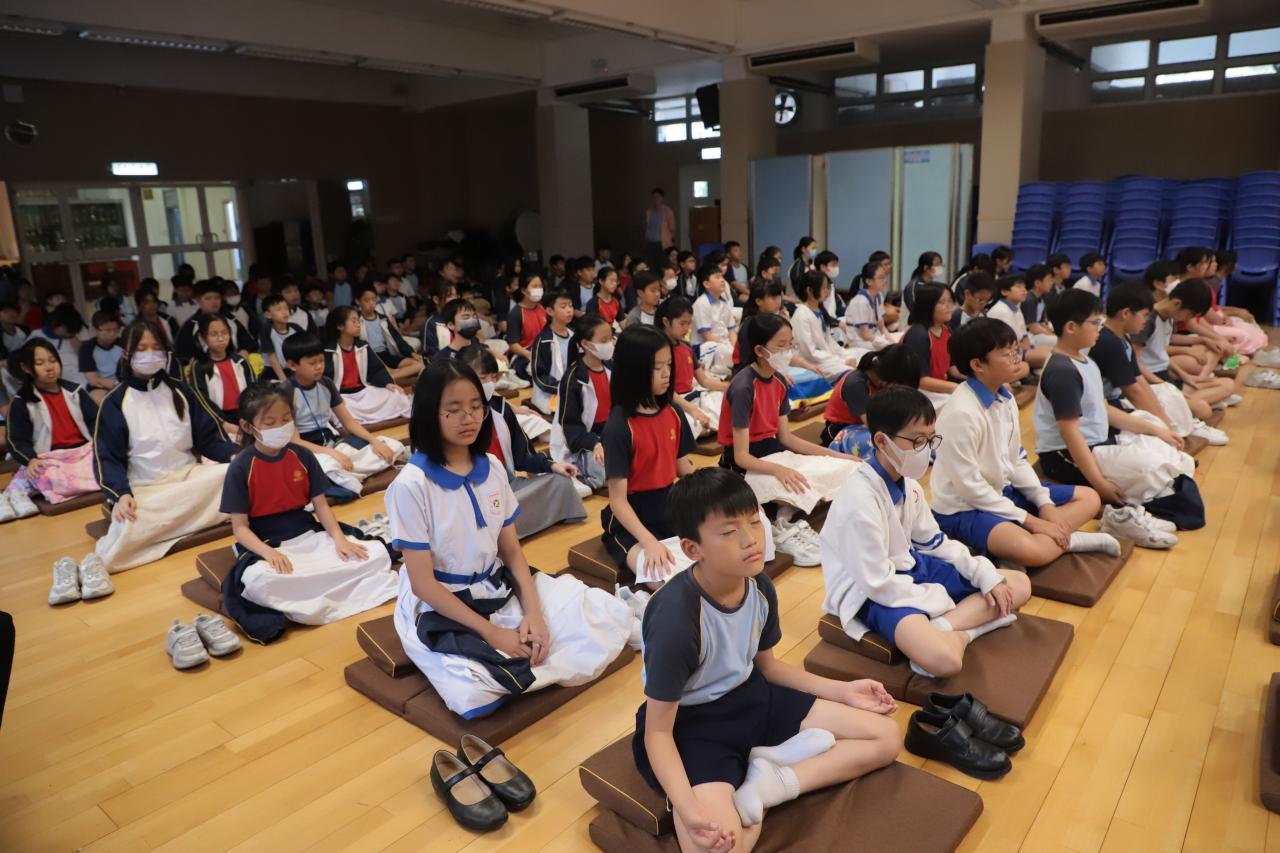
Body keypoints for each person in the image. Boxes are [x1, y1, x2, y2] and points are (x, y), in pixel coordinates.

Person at [637, 467, 901, 848]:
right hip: (693, 725)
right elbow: (658, 733)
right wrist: (687, 806)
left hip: (753, 697)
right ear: (693, 550)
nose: (751, 539)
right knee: (715, 846)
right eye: (730, 531)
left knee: (886, 736)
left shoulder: (758, 585)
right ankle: (758, 778)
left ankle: (770, 785)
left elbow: (768, 667)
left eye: (754, 521)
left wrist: (842, 691)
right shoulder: (675, 618)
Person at [384, 358, 632, 718]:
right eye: (454, 410)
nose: (469, 418)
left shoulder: (493, 467)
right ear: (428, 414)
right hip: (443, 601)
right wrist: (491, 633)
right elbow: (423, 585)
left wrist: (535, 615)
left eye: (476, 407)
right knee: (472, 693)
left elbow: (512, 553)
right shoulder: (411, 485)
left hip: (495, 584)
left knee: (604, 612)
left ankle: (527, 644)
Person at [820, 386, 1032, 678]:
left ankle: (943, 628)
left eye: (931, 439)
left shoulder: (909, 485)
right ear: (881, 441)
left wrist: (983, 575)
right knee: (946, 661)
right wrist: (939, 599)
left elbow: (936, 543)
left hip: (909, 568)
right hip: (867, 591)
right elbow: (877, 583)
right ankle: (967, 631)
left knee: (1017, 583)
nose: (927, 450)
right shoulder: (859, 501)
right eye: (918, 441)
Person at [930, 319, 1117, 568]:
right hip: (963, 508)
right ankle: (1067, 540)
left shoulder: (1005, 398)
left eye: (1016, 350)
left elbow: (1017, 459)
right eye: (1007, 354)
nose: (1016, 359)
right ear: (978, 365)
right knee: (1031, 551)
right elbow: (970, 489)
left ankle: (1031, 541)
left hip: (1002, 491)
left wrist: (1044, 503)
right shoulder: (961, 413)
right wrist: (1033, 521)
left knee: (1089, 498)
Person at [219, 384, 396, 636]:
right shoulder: (240, 467)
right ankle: (326, 591)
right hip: (267, 540)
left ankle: (315, 596)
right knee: (260, 580)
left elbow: (321, 506)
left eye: (286, 419)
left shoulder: (302, 454)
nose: (281, 427)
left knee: (375, 554)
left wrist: (339, 539)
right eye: (270, 423)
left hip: (306, 531)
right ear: (248, 427)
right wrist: (269, 553)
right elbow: (240, 529)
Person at [1035, 289, 1203, 546]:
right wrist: (1100, 485)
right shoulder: (1062, 371)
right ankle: (1121, 517)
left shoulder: (1084, 360)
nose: (1100, 328)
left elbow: (1104, 409)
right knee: (1154, 470)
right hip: (1063, 456)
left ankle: (1140, 505)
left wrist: (1157, 430)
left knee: (1164, 447)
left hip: (1097, 442)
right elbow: (1071, 435)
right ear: (1071, 327)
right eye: (1095, 322)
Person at [89, 321, 239, 574]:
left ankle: (176, 522)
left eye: (156, 347)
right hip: (147, 487)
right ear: (126, 353)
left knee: (234, 474)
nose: (150, 354)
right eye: (142, 348)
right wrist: (121, 494)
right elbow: (107, 458)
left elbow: (209, 439)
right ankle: (198, 517)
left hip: (189, 476)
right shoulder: (115, 402)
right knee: (132, 518)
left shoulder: (180, 390)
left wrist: (234, 455)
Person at [719, 313, 859, 567]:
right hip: (743, 463)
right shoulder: (743, 387)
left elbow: (786, 438)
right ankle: (780, 525)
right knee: (800, 483)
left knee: (845, 468)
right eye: (781, 346)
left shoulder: (780, 382)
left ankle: (784, 514)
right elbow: (741, 456)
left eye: (790, 343)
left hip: (774, 452)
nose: (788, 351)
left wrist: (836, 455)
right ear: (760, 350)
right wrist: (779, 470)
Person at [598, 325, 699, 585]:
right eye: (657, 367)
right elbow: (618, 501)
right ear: (633, 370)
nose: (667, 374)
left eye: (669, 365)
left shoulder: (673, 411)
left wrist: (718, 492)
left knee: (710, 564)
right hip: (630, 517)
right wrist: (649, 542)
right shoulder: (619, 426)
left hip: (670, 506)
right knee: (663, 580)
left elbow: (683, 468)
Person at [458, 345, 589, 539]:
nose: (489, 383)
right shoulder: (455, 417)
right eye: (483, 378)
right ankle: (499, 531)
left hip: (508, 487)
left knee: (560, 482)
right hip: (472, 495)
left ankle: (502, 530)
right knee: (481, 514)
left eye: (493, 378)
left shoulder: (501, 408)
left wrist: (552, 466)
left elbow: (522, 455)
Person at [1090, 283, 1225, 446]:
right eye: (1145, 315)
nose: (1146, 320)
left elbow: (1138, 379)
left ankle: (1182, 425)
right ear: (1126, 313)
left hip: (1122, 398)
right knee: (1158, 439)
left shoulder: (1122, 338)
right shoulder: (1109, 342)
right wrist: (1164, 427)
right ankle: (1182, 426)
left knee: (1166, 400)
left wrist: (1164, 422)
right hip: (1108, 406)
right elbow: (1133, 391)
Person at [281, 333, 403, 501]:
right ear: (292, 365)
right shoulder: (285, 392)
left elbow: (349, 423)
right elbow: (294, 441)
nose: (319, 366)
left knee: (390, 446)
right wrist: (331, 453)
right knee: (327, 465)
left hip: (333, 443)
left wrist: (374, 442)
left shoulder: (326, 383)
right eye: (312, 363)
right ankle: (343, 474)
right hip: (306, 449)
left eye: (321, 361)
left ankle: (343, 477)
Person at [4, 339, 100, 518]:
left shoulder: (75, 391)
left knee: (111, 463)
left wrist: (102, 444)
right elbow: (16, 440)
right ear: (26, 367)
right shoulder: (21, 401)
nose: (49, 367)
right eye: (40, 363)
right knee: (43, 472)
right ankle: (15, 492)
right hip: (49, 458)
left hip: (83, 452)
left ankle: (29, 486)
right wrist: (30, 460)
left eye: (52, 360)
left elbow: (96, 420)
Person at [1132, 277, 1238, 414]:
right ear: (1177, 303)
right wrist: (1163, 385)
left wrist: (1185, 376)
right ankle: (1194, 404)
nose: (1188, 320)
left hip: (1165, 377)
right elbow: (1135, 363)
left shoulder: (1169, 318)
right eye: (1190, 315)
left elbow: (1161, 355)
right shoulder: (1148, 320)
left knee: (1228, 384)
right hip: (1151, 381)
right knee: (1204, 410)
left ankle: (1188, 405)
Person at [549, 314, 613, 490]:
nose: (610, 344)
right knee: (600, 473)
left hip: (609, 435)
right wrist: (595, 443)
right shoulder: (573, 378)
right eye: (604, 340)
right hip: (583, 441)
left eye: (610, 338)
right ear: (586, 344)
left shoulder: (611, 369)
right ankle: (582, 473)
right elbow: (571, 427)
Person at [322, 306, 412, 425]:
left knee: (397, 395)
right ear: (340, 326)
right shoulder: (329, 351)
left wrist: (387, 383)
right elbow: (325, 380)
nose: (358, 324)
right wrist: (334, 399)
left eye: (358, 321)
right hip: (343, 397)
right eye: (354, 321)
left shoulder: (363, 346)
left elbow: (376, 370)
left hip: (364, 392)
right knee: (333, 410)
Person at [819, 344, 922, 447]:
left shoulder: (881, 383)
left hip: (863, 425)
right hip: (839, 431)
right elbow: (872, 425)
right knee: (884, 442)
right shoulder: (855, 384)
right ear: (891, 380)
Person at [658, 297, 729, 439]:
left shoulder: (686, 347)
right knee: (692, 424)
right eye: (682, 323)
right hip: (673, 400)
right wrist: (692, 409)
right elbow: (667, 392)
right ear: (666, 322)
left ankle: (709, 426)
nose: (686, 328)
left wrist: (730, 387)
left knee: (727, 402)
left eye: (689, 323)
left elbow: (704, 381)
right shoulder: (659, 350)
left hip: (693, 396)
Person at [187, 313, 257, 436]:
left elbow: (254, 391)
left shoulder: (241, 362)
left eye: (225, 333)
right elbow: (201, 401)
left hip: (246, 417)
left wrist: (251, 419)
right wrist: (222, 423)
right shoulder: (199, 367)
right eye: (214, 334)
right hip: (216, 421)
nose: (221, 339)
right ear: (203, 337)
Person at [790, 271, 857, 379]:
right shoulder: (802, 315)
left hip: (824, 358)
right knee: (851, 372)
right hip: (810, 362)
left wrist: (845, 355)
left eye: (828, 287)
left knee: (858, 357)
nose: (827, 291)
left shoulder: (820, 311)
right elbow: (809, 352)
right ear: (809, 290)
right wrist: (841, 361)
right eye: (824, 288)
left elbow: (829, 342)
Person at [902, 284, 960, 409]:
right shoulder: (918, 335)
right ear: (928, 305)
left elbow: (952, 368)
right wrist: (957, 388)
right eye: (942, 302)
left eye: (950, 301)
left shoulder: (946, 331)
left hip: (937, 389)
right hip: (916, 393)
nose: (949, 306)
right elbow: (921, 381)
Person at [174, 280, 256, 364]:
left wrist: (244, 350)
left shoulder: (231, 320)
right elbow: (182, 353)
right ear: (198, 300)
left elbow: (249, 343)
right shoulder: (191, 325)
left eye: (217, 298)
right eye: (208, 299)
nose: (213, 302)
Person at [355, 285, 421, 383]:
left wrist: (413, 353)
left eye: (373, 299)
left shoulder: (383, 319)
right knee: (412, 377)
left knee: (418, 365)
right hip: (371, 359)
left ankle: (391, 376)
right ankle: (393, 376)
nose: (371, 303)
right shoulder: (356, 320)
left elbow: (398, 339)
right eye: (367, 300)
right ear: (358, 301)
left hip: (387, 355)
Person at [986, 274, 1049, 372]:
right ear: (1004, 292)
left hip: (1020, 349)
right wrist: (1025, 351)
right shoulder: (1000, 311)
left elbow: (1024, 335)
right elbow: (1006, 343)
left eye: (1024, 287)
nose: (1024, 291)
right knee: (1050, 357)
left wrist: (1028, 347)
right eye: (1019, 287)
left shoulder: (1016, 307)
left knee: (1054, 353)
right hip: (1008, 353)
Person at [529, 290, 576, 416]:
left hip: (572, 390)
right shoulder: (543, 341)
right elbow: (539, 376)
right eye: (563, 306)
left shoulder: (575, 335)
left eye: (570, 305)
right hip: (549, 394)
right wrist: (563, 388)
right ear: (550, 311)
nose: (569, 310)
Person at [691, 264, 738, 379]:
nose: (722, 280)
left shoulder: (724, 302)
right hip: (705, 346)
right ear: (707, 284)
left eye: (722, 277)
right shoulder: (701, 303)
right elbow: (707, 336)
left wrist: (735, 348)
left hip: (723, 343)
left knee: (739, 351)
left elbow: (731, 331)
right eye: (717, 277)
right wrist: (728, 349)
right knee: (726, 353)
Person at [28, 304, 88, 390]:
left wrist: (73, 337)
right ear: (56, 324)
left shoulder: (72, 336)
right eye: (67, 330)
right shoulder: (37, 336)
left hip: (82, 379)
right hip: (57, 382)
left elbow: (84, 356)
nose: (69, 334)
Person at [505, 272, 546, 383]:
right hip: (523, 356)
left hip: (544, 352)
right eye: (534, 286)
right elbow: (513, 345)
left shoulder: (542, 308)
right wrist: (530, 355)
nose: (538, 289)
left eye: (540, 286)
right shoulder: (516, 313)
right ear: (523, 290)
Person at [844, 262, 893, 350]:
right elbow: (865, 334)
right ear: (869, 281)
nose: (885, 280)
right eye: (881, 277)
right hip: (859, 343)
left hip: (873, 337)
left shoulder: (879, 296)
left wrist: (892, 342)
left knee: (897, 343)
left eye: (885, 277)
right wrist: (887, 345)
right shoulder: (860, 301)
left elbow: (882, 327)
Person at [258, 294, 306, 381]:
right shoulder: (266, 330)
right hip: (272, 371)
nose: (284, 312)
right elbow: (272, 360)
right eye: (279, 309)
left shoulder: (296, 328)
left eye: (286, 308)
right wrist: (285, 381)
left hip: (293, 370)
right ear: (268, 315)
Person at [78, 311, 122, 402]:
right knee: (99, 399)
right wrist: (117, 384)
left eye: (115, 330)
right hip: (101, 387)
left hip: (124, 382)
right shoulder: (87, 348)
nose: (112, 334)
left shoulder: (124, 343)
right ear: (95, 330)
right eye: (108, 330)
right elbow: (94, 380)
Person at [1021, 263, 1058, 349]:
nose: (1052, 283)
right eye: (1049, 280)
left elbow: (1042, 322)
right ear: (1037, 283)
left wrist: (1051, 332)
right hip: (1029, 335)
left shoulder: (1041, 298)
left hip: (1037, 329)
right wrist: (1052, 335)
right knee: (1057, 341)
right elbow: (1033, 328)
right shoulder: (1029, 299)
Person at [644, 188, 676, 268]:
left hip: (662, 243)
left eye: (658, 196)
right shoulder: (649, 211)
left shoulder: (667, 211)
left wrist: (670, 240)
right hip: (651, 242)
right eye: (654, 197)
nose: (656, 199)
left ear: (662, 198)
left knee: (662, 263)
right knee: (651, 263)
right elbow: (648, 226)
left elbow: (672, 227)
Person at [786, 238, 818, 302]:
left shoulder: (812, 265)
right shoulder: (797, 267)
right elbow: (798, 289)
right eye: (812, 248)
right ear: (803, 249)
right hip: (796, 302)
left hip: (808, 300)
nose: (815, 250)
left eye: (815, 248)